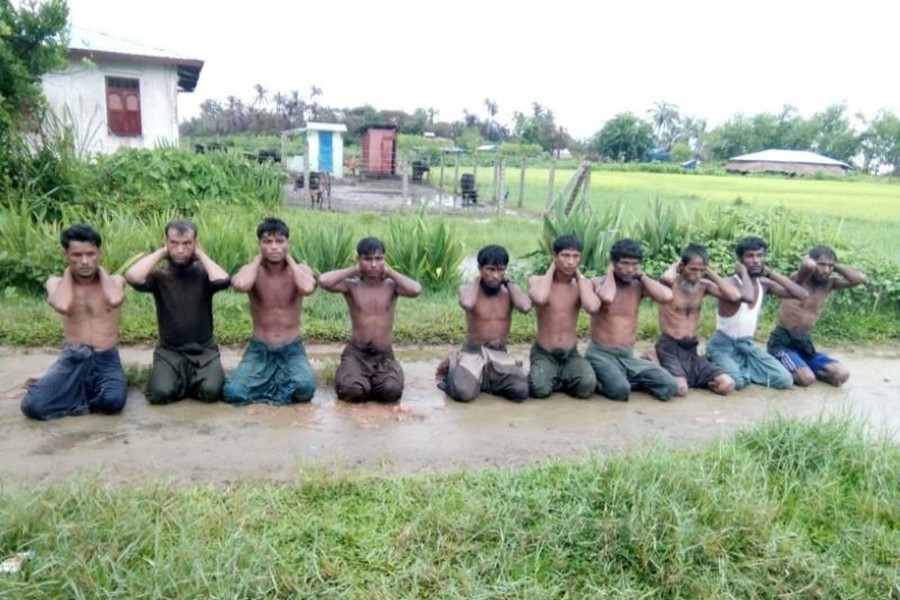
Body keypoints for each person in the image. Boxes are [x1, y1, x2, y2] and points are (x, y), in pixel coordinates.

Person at [21, 225, 128, 420]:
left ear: (100, 254)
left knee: (113, 402)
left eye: (90, 254)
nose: (85, 261)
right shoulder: (55, 283)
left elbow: (114, 300)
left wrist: (100, 270)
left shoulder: (115, 281)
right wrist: (69, 273)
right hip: (75, 357)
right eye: (77, 255)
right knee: (32, 406)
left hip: (107, 358)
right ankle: (62, 384)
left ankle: (70, 391)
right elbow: (62, 305)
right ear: (66, 256)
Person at [125, 219, 230, 404]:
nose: (180, 250)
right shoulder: (159, 277)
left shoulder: (204, 275)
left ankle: (191, 382)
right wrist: (162, 252)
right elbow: (133, 276)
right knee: (160, 393)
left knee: (211, 392)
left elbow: (223, 280)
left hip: (204, 350)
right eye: (174, 243)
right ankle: (177, 381)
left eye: (187, 244)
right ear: (166, 242)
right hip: (169, 351)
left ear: (195, 244)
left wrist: (200, 254)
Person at [223, 218, 318, 405]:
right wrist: (259, 258)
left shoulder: (300, 270)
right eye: (267, 242)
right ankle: (273, 383)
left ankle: (275, 383)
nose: (274, 247)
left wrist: (288, 257)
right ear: (259, 244)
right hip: (260, 349)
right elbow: (241, 285)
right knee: (234, 392)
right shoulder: (251, 271)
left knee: (305, 388)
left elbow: (307, 288)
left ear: (289, 243)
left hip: (292, 348)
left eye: (280, 241)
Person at [318, 237, 422, 402]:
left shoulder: (391, 286)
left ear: (384, 260)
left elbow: (416, 290)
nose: (373, 264)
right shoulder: (351, 286)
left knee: (391, 391)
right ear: (359, 259)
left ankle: (375, 379)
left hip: (384, 355)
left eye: (378, 259)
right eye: (367, 259)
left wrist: (390, 272)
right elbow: (324, 281)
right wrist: (354, 270)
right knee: (352, 392)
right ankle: (354, 376)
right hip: (357, 353)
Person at [705, 236, 806, 390]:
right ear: (740, 260)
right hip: (723, 345)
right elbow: (747, 296)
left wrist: (770, 273)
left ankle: (738, 369)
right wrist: (744, 273)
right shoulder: (729, 284)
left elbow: (801, 295)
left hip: (747, 345)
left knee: (785, 380)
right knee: (736, 383)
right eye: (750, 256)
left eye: (760, 255)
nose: (756, 261)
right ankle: (713, 363)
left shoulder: (764, 285)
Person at [585, 238, 679, 401]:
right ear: (613, 262)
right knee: (620, 390)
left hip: (627, 356)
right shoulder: (597, 282)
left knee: (669, 385)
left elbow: (666, 296)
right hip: (601, 354)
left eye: (634, 264)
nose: (629, 269)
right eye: (624, 263)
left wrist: (641, 275)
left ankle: (624, 378)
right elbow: (607, 297)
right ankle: (603, 379)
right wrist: (609, 273)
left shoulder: (638, 285)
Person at [437, 245, 532, 402]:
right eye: (490, 269)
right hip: (473, 352)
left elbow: (525, 307)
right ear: (480, 268)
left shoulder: (509, 292)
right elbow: (467, 303)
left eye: (500, 270)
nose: (495, 275)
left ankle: (484, 380)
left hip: (499, 354)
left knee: (520, 391)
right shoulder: (467, 289)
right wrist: (477, 280)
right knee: (463, 393)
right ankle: (454, 366)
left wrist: (508, 282)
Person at [767, 246, 866, 386]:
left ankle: (800, 366)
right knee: (806, 379)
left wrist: (835, 266)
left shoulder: (830, 284)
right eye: (821, 264)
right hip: (783, 342)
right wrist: (814, 264)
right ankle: (776, 364)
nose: (825, 270)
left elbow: (860, 279)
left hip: (804, 343)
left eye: (829, 266)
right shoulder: (798, 279)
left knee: (841, 374)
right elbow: (807, 265)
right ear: (813, 263)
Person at [654, 243, 741, 396]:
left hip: (691, 349)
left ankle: (688, 378)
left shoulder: (703, 286)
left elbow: (734, 296)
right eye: (693, 269)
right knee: (681, 390)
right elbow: (665, 277)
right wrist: (675, 266)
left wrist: (710, 272)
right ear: (682, 267)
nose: (697, 275)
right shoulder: (669, 284)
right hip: (670, 347)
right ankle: (653, 358)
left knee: (727, 384)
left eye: (701, 270)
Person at [527, 234, 599, 399]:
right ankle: (551, 377)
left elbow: (592, 307)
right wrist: (551, 270)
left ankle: (561, 377)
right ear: (555, 257)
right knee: (539, 390)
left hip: (570, 355)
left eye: (576, 256)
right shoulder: (537, 281)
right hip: (544, 353)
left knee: (587, 386)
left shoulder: (582, 285)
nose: (571, 262)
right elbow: (539, 298)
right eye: (565, 256)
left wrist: (579, 276)